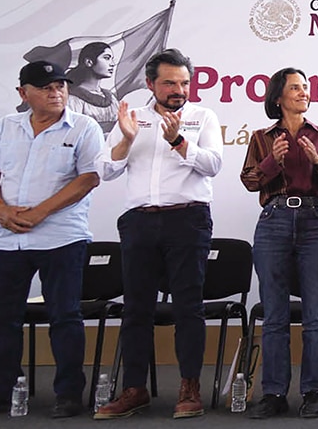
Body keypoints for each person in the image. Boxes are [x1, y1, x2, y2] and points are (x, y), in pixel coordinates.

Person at [94, 48, 223, 420]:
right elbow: (106, 169)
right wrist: (127, 139)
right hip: (139, 222)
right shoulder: (132, 118)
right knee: (136, 308)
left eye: (184, 82)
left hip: (188, 219)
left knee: (188, 307)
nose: (178, 89)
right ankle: (135, 389)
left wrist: (180, 141)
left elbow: (213, 164)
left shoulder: (202, 117)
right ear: (151, 84)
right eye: (169, 82)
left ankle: (189, 387)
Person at [0, 61, 105, 418]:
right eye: (45, 87)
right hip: (6, 240)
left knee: (64, 316)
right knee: (0, 318)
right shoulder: (5, 127)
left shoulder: (84, 127)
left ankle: (68, 394)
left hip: (61, 238)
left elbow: (88, 179)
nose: (56, 92)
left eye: (60, 86)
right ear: (23, 93)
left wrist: (40, 212)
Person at [240, 67, 318, 419]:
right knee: (274, 315)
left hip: (315, 221)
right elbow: (250, 181)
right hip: (273, 221)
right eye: (296, 88)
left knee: (315, 315)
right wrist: (275, 159)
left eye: (306, 86)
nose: (304, 92)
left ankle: (313, 391)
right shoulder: (261, 137)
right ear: (278, 98)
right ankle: (273, 393)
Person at [66, 42, 120, 134]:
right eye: (106, 58)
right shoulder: (73, 99)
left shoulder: (111, 98)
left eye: (112, 59)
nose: (112, 64)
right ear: (89, 62)